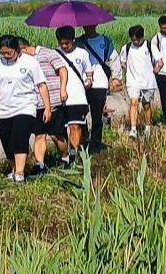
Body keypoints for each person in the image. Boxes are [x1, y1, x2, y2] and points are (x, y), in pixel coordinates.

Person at [0, 35, 52, 183]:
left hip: (24, 107)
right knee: (8, 143)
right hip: (2, 109)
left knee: (20, 139)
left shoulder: (30, 62)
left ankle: (19, 173)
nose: (6, 56)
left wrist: (47, 107)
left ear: (17, 50)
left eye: (9, 53)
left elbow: (41, 85)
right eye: (3, 53)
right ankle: (14, 168)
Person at [19, 37, 69, 177]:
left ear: (24, 48)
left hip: (54, 102)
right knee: (39, 135)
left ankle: (65, 155)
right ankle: (40, 164)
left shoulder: (47, 53)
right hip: (35, 104)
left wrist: (63, 89)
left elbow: (63, 70)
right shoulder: (22, 62)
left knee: (56, 135)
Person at [111, 25, 163, 138]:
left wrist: (156, 69)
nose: (135, 42)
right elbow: (122, 62)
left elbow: (160, 61)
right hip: (132, 81)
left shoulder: (150, 46)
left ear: (142, 37)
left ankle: (148, 128)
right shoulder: (127, 48)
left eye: (137, 39)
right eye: (133, 40)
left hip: (148, 82)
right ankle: (133, 129)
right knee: (133, 102)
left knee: (146, 105)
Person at [54, 26, 94, 167]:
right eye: (61, 43)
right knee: (61, 130)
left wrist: (89, 81)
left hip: (77, 97)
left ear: (73, 40)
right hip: (59, 97)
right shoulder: (54, 54)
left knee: (74, 126)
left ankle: (74, 154)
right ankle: (65, 155)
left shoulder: (82, 54)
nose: (64, 46)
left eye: (67, 43)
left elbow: (89, 73)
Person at [77, 24, 115, 152]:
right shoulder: (77, 42)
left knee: (97, 115)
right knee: (80, 113)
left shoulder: (105, 41)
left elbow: (113, 59)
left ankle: (96, 142)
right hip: (81, 83)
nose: (87, 27)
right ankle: (84, 139)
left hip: (99, 82)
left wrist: (116, 77)